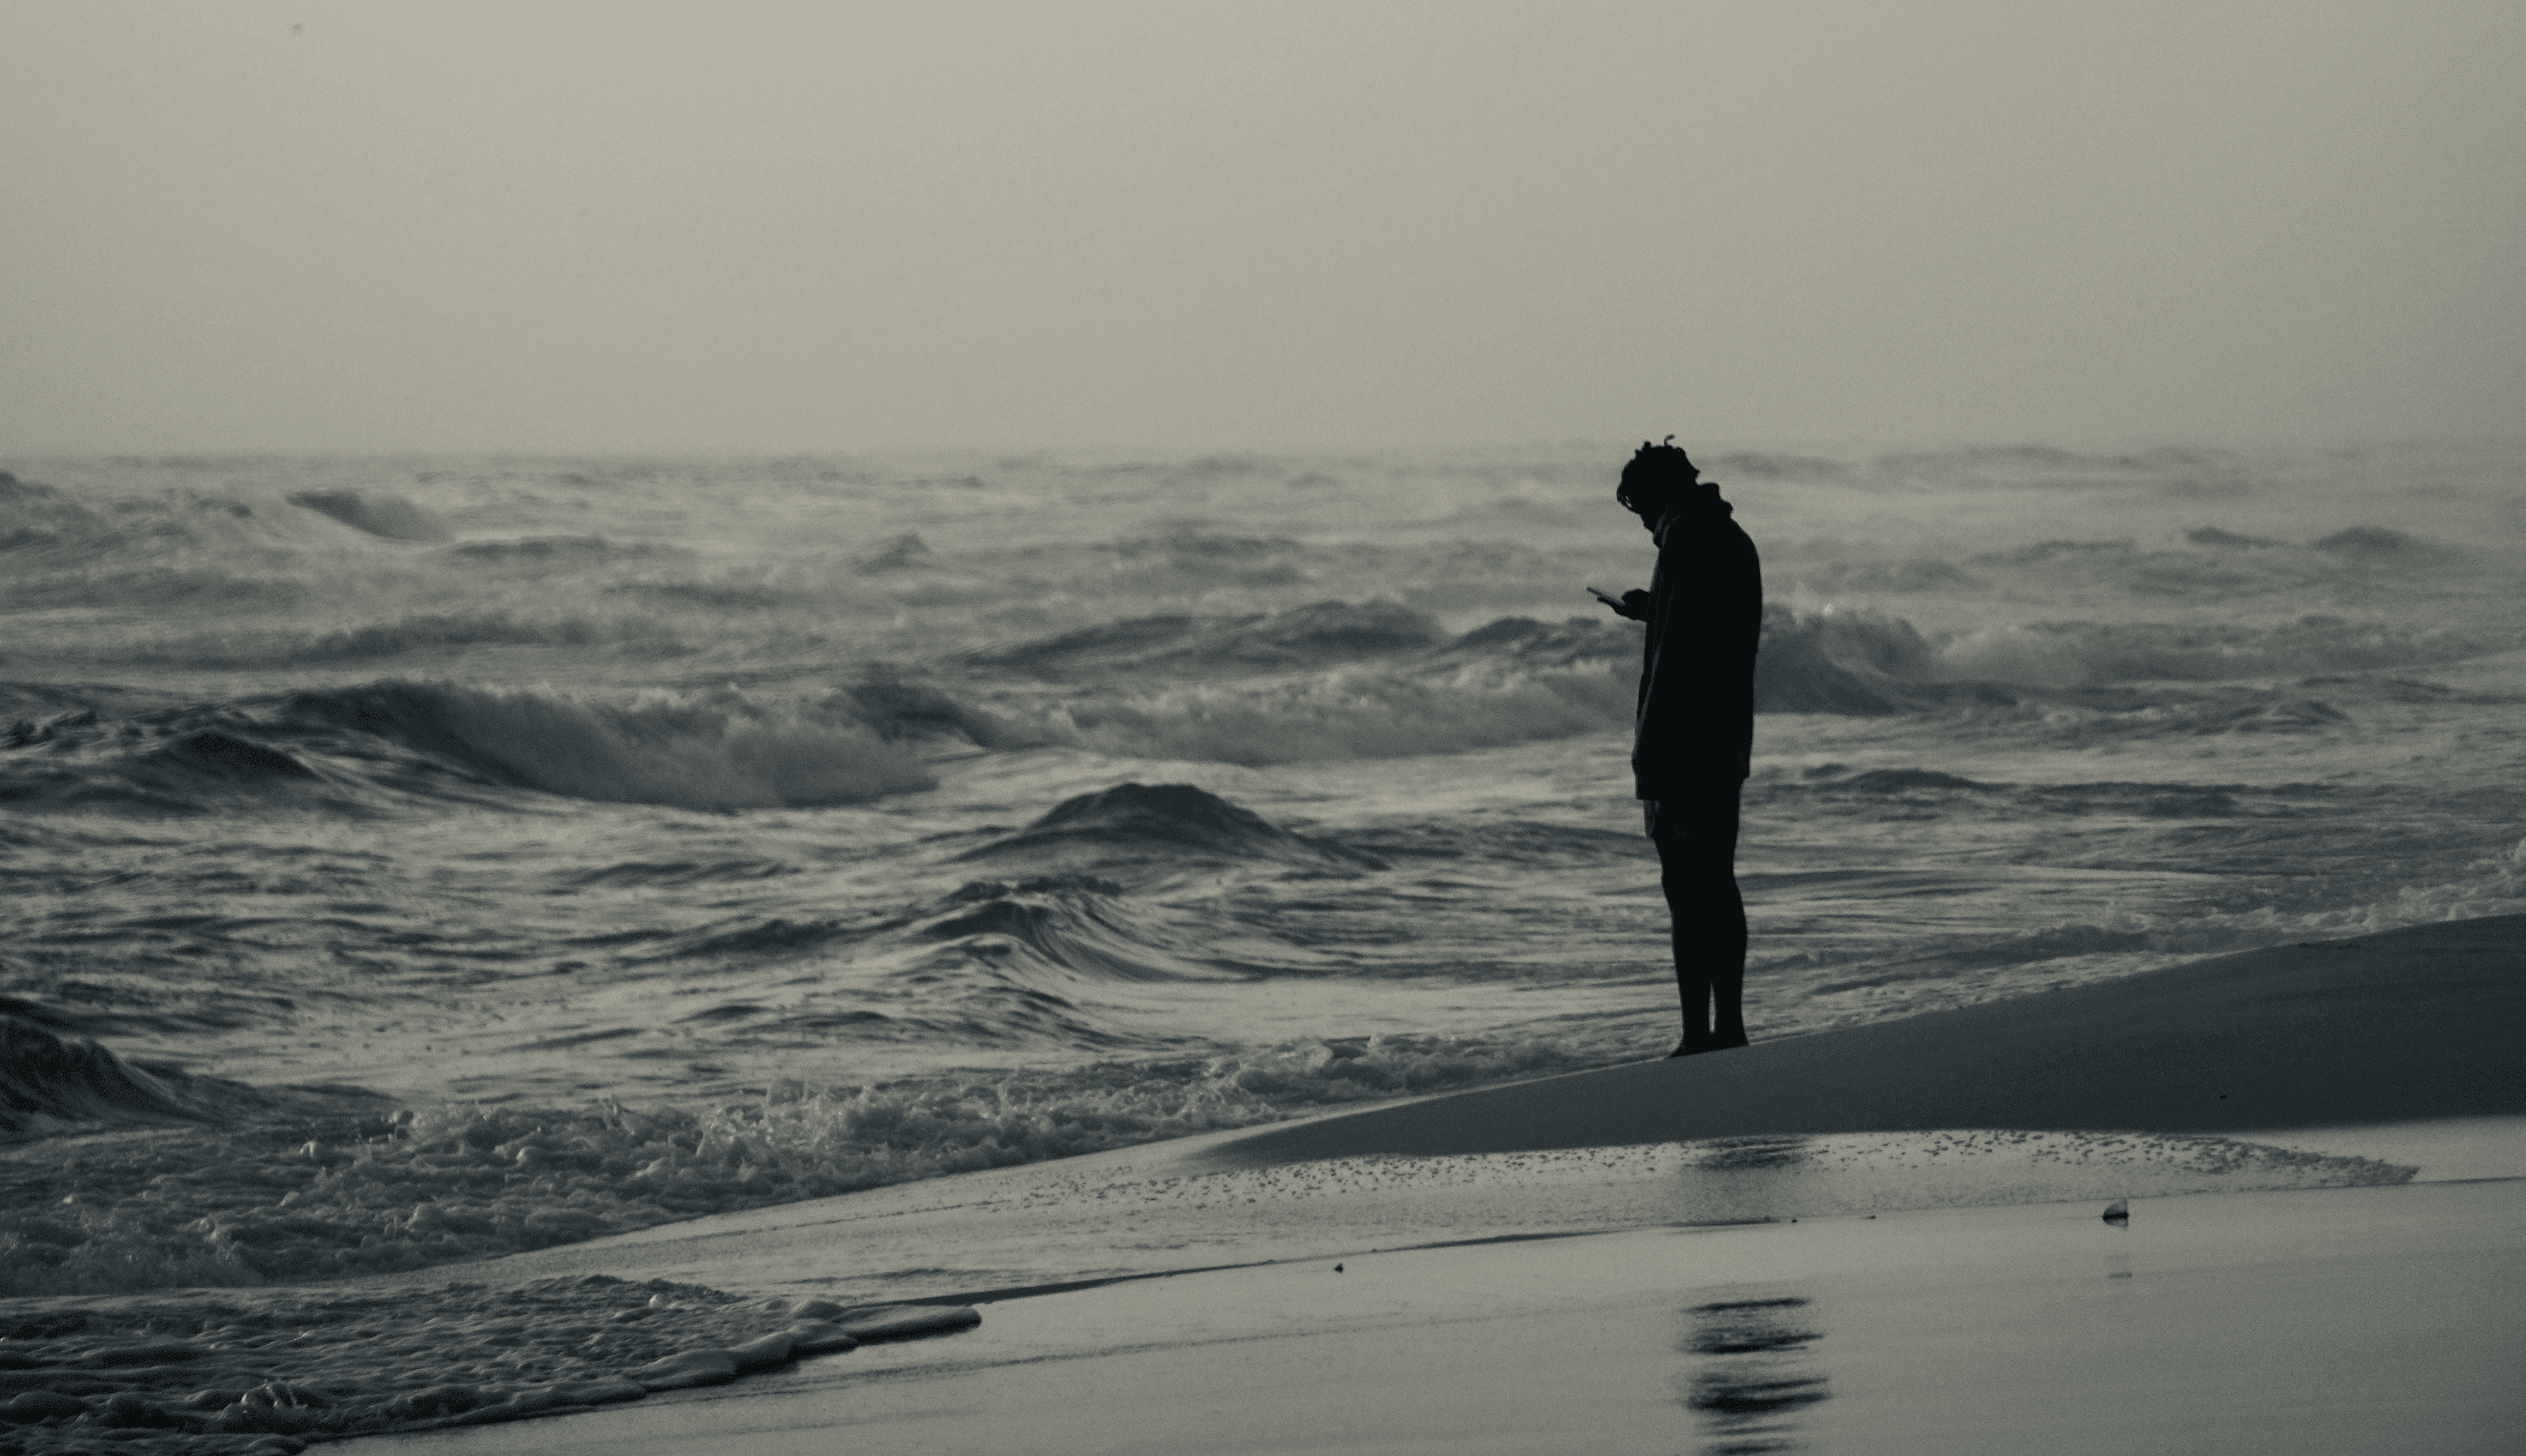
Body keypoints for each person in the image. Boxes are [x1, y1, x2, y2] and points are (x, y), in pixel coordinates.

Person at [1598, 438, 1762, 1056]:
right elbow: (1708, 628)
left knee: (1688, 891)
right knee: (1717, 882)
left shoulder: (1684, 539)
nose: (1644, 525)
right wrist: (1655, 609)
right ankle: (1730, 1026)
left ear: (1657, 496)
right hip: (1724, 738)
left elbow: (1678, 664)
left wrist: (1652, 756)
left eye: (1641, 509)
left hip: (1684, 744)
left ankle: (1699, 1032)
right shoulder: (1729, 536)